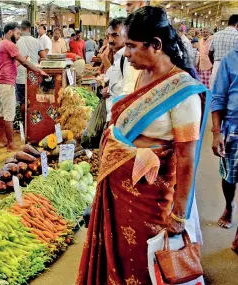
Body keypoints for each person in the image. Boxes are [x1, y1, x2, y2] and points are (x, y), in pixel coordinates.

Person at [77, 7, 209, 284]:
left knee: (143, 260)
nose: (126, 53)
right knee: (121, 255)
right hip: (120, 191)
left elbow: (186, 160)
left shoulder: (184, 93)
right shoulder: (140, 75)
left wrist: (178, 216)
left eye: (132, 46)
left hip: (150, 198)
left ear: (156, 46)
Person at [0, 22, 47, 151]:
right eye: (17, 34)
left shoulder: (0, 45)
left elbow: (13, 63)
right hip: (7, 83)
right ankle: (11, 144)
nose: (19, 37)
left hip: (0, 82)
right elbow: (23, 62)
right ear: (10, 32)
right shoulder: (10, 44)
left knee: (2, 113)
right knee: (9, 115)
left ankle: (3, 140)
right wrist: (39, 71)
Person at [211, 46, 238, 255]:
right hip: (233, 127)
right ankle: (229, 205)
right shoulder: (230, 60)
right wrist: (216, 133)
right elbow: (218, 97)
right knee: (229, 177)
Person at [102, 17, 139, 122]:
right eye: (109, 35)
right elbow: (117, 81)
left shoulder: (128, 58)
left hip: (118, 118)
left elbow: (127, 92)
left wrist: (114, 120)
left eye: (115, 35)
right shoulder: (118, 56)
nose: (110, 40)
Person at [16, 20, 45, 120]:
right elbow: (43, 57)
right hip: (34, 74)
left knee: (22, 102)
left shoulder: (17, 41)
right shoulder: (36, 41)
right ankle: (34, 124)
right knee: (34, 100)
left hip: (20, 76)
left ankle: (25, 124)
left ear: (21, 28)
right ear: (29, 28)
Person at [209, 14, 238, 89]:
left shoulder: (216, 35)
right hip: (232, 69)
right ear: (237, 24)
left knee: (214, 93)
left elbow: (210, 53)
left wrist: (215, 62)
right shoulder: (237, 35)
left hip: (216, 67)